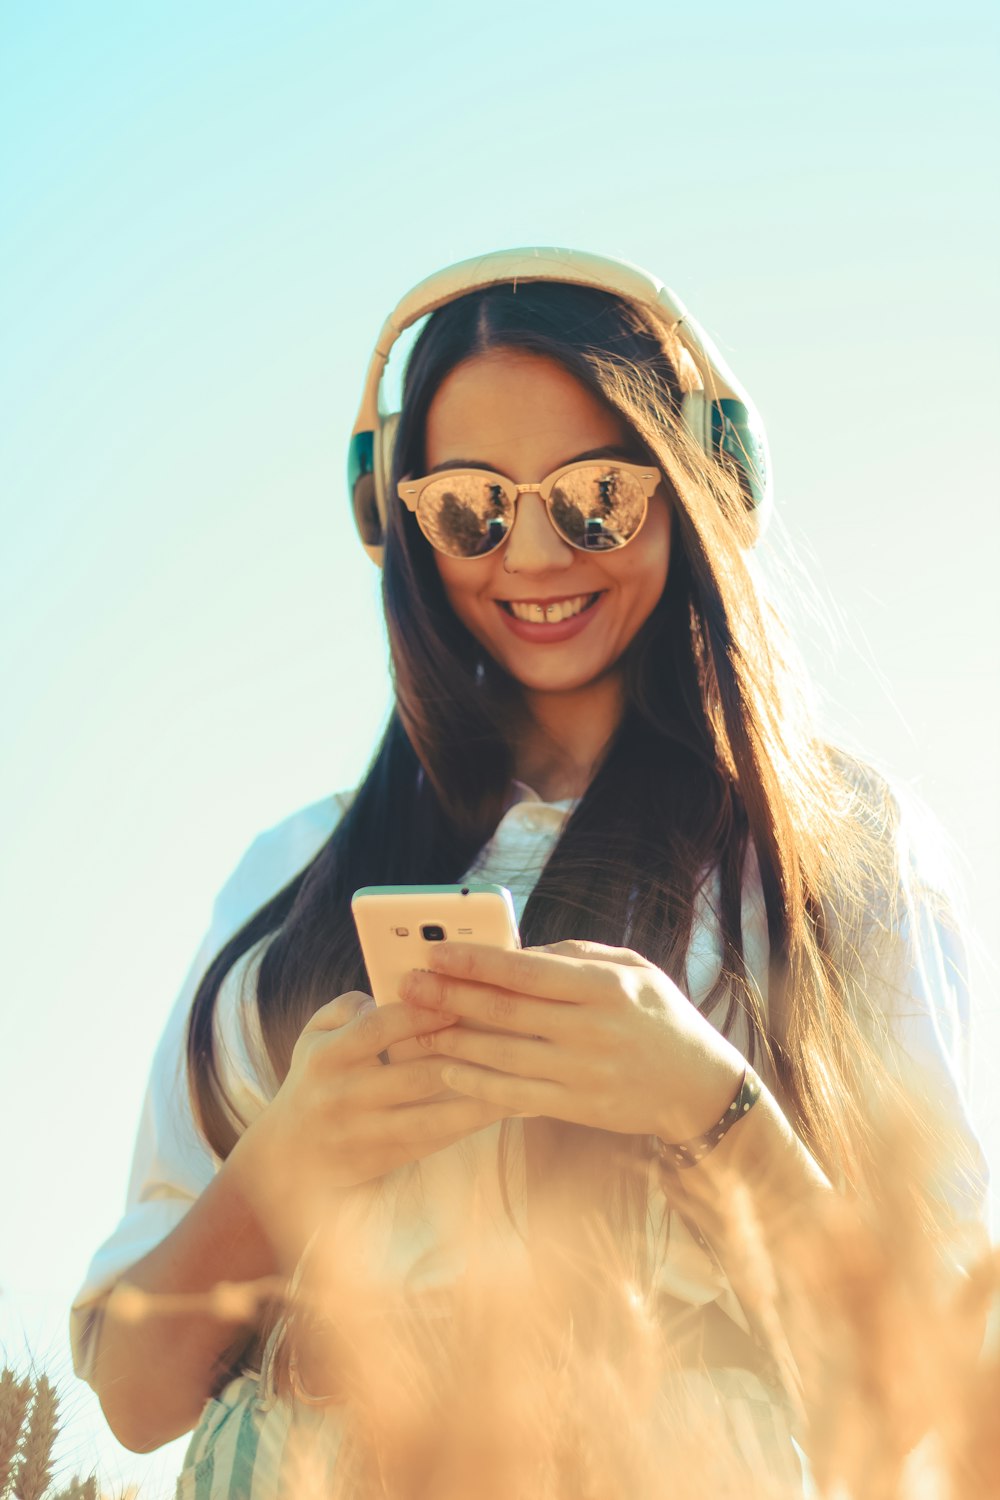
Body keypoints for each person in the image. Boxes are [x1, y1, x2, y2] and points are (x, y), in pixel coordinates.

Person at [70, 249, 990, 1498]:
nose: (537, 554)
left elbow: (937, 1393)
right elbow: (133, 1400)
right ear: (402, 522)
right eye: (471, 509)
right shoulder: (289, 876)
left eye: (596, 495)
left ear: (693, 486)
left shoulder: (838, 853)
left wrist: (708, 1109)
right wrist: (287, 1165)